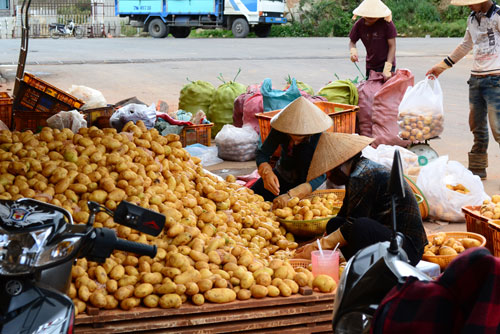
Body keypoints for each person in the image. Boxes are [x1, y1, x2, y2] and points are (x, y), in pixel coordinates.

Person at [293, 132, 427, 266]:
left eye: (329, 171)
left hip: (406, 248)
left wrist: (317, 247)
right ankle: (354, 262)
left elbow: (352, 224)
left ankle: (362, 269)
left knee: (359, 226)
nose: (328, 176)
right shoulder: (357, 172)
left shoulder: (361, 175)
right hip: (388, 236)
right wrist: (317, 244)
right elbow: (344, 215)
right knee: (334, 223)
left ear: (340, 165)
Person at [426, 0, 500, 180]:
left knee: (498, 128)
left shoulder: (498, 16)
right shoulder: (472, 19)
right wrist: (442, 66)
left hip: (495, 79)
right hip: (476, 79)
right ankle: (477, 169)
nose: (468, 6)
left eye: (471, 3)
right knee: (477, 126)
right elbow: (466, 45)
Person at [251, 96, 333, 209]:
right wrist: (267, 173)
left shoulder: (319, 136)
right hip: (283, 174)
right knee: (250, 199)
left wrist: (292, 194)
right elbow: (262, 153)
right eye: (292, 136)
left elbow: (320, 176)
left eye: (300, 138)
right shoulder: (280, 128)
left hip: (307, 183)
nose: (295, 142)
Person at [349, 0, 397, 79]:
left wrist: (387, 68)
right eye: (368, 16)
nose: (371, 18)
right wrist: (353, 52)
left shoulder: (387, 23)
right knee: (370, 89)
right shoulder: (359, 25)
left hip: (387, 62)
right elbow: (352, 41)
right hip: (371, 65)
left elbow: (392, 46)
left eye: (373, 16)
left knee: (385, 90)